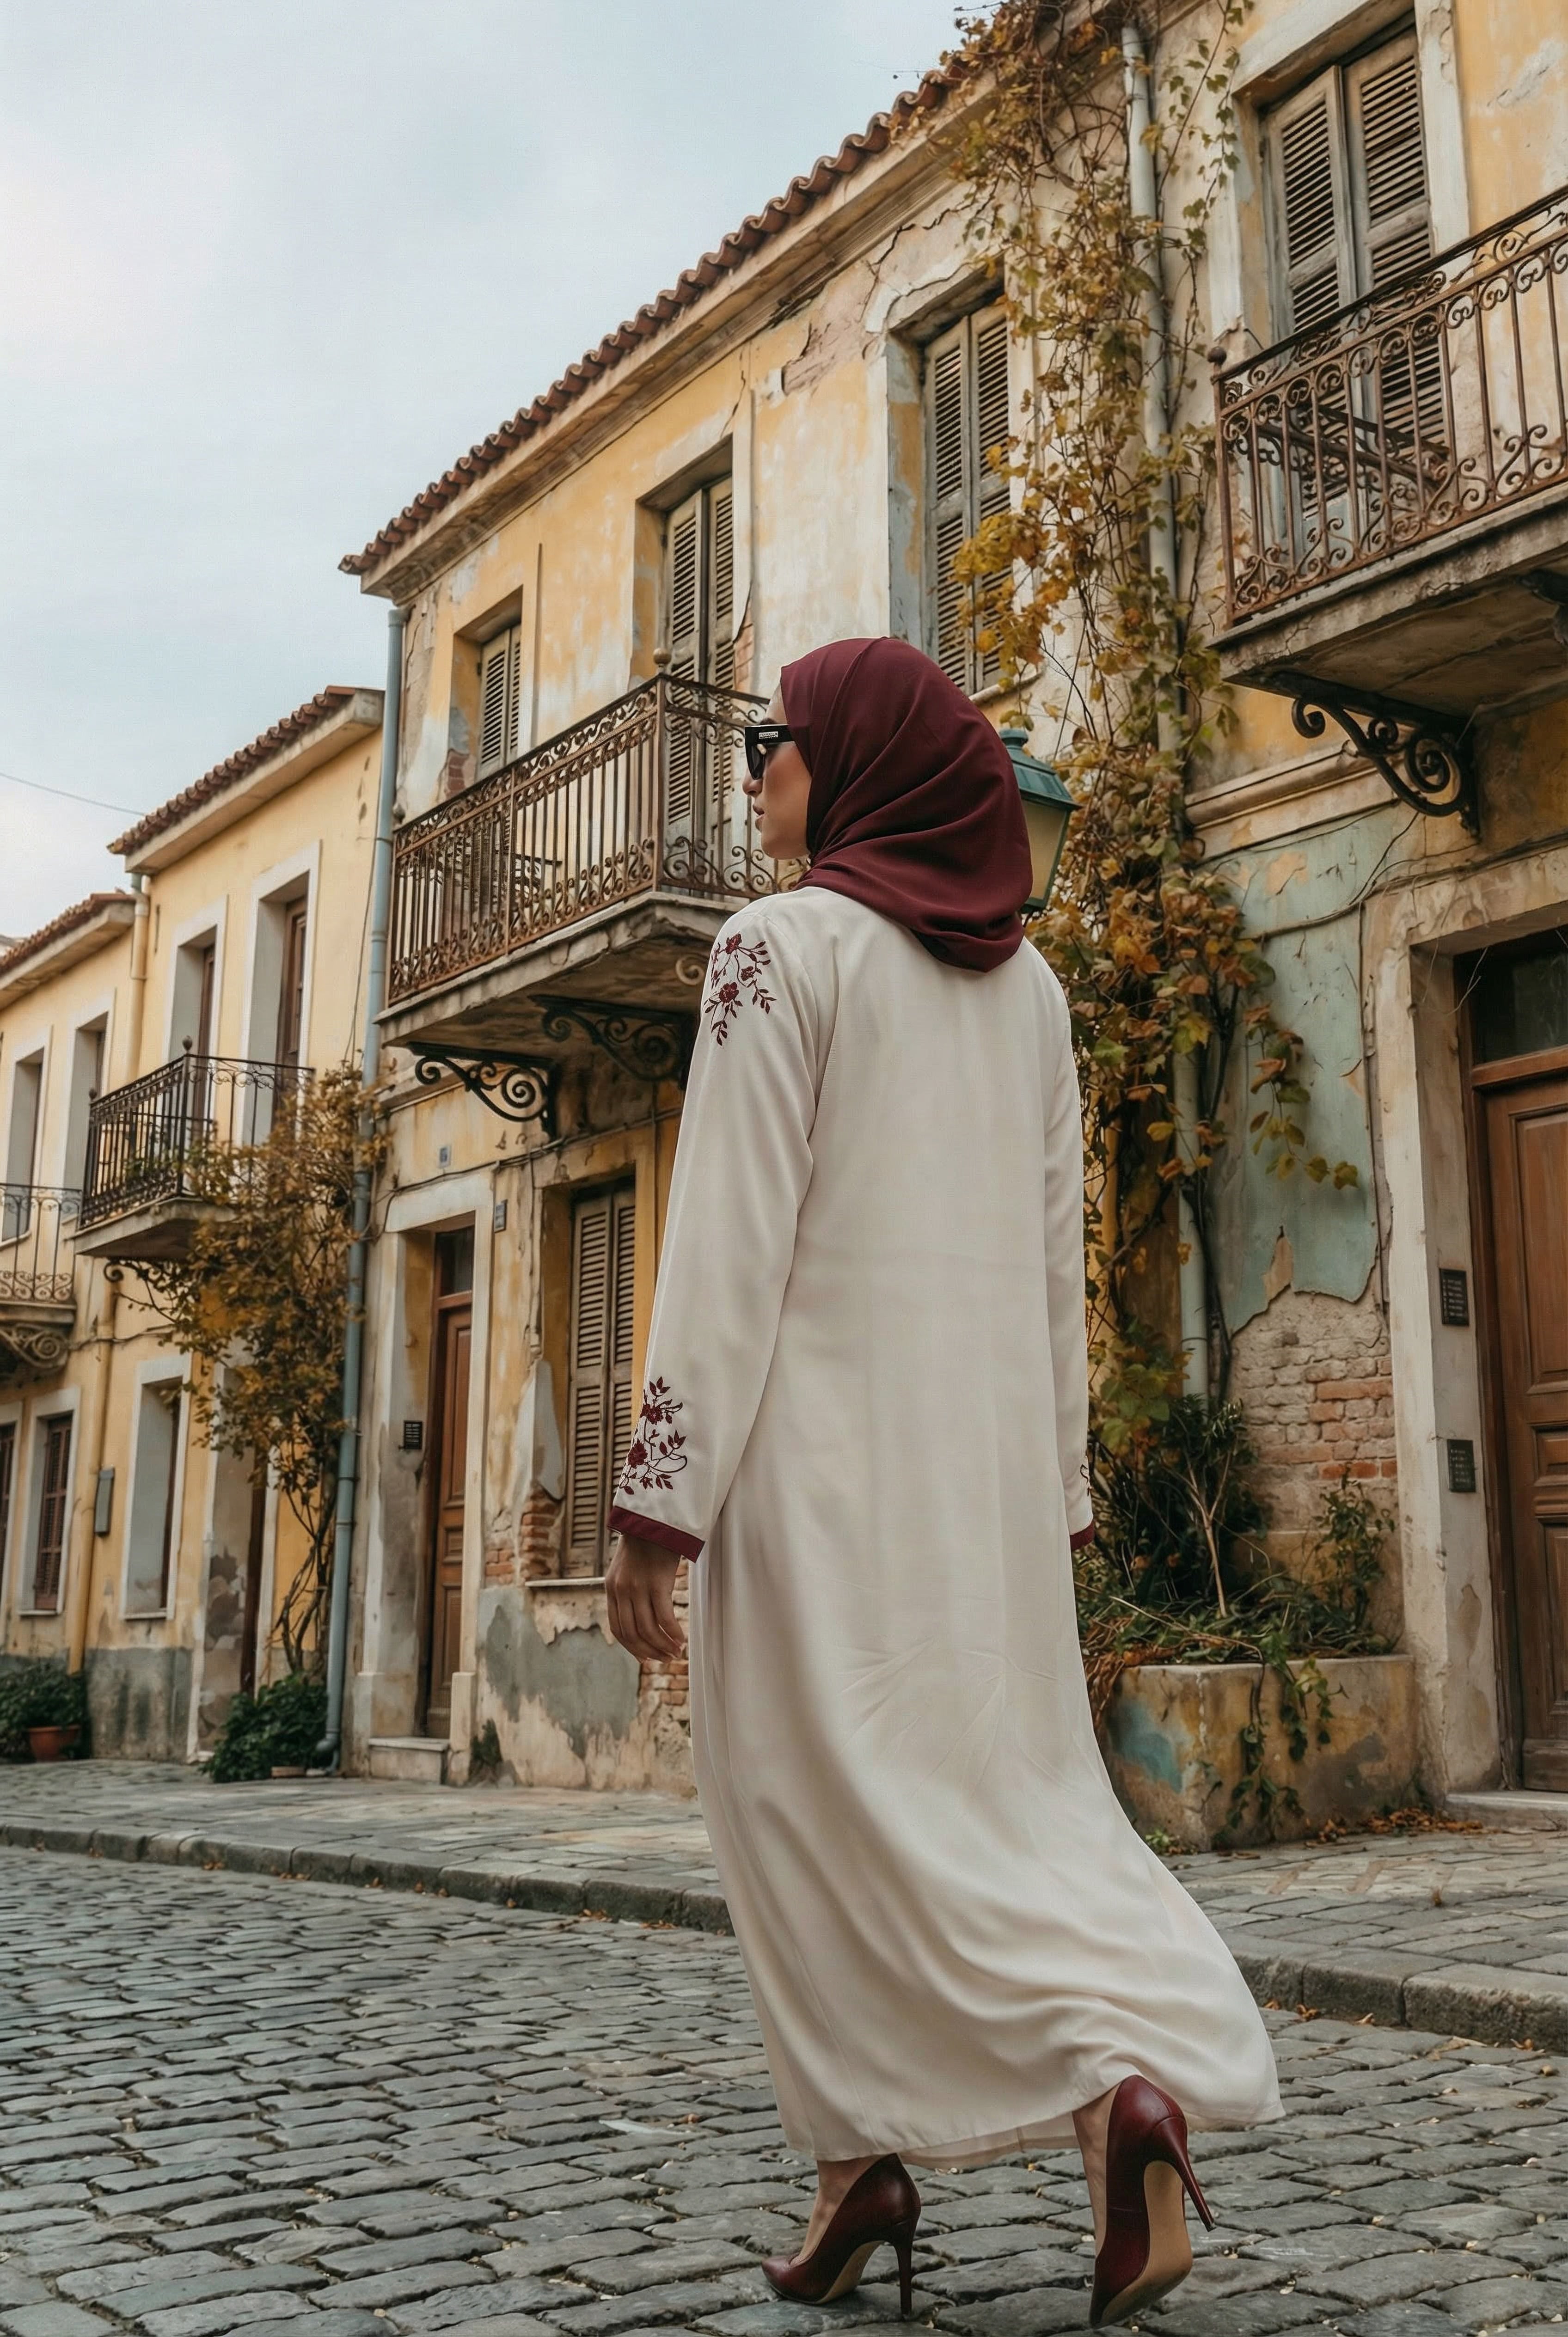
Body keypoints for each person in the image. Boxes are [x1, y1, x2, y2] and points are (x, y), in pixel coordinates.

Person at [605, 637, 1279, 2327]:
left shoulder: (776, 948)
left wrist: (657, 1505)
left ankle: (971, 2124)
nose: (756, 765)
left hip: (814, 1501)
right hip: (983, 1520)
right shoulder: (1033, 993)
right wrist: (1054, 1496)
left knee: (806, 1825)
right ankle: (989, 2142)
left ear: (860, 763)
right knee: (1009, 1813)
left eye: (781, 738)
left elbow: (726, 1245)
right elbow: (1061, 1280)